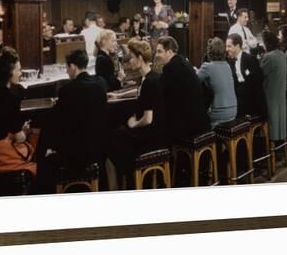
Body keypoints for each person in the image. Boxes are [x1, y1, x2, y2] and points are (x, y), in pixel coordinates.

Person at [37, 49, 108, 192]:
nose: (67, 72)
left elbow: (56, 123)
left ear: (73, 67)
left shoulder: (68, 89)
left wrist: (42, 149)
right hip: (99, 149)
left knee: (44, 158)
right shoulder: (100, 84)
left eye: (67, 68)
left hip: (77, 154)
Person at [107, 39, 165, 185]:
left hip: (151, 137)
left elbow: (148, 119)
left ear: (140, 58)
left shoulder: (149, 82)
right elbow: (139, 90)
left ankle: (126, 182)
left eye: (132, 57)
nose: (129, 61)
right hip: (159, 132)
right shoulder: (152, 76)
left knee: (112, 140)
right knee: (117, 134)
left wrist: (133, 124)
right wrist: (119, 95)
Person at [0, 47, 39, 179]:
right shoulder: (11, 98)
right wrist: (26, 131)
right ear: (9, 73)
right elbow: (19, 138)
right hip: (1, 156)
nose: (20, 73)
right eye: (18, 70)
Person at [155, 36, 209, 141]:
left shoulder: (170, 67)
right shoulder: (184, 62)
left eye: (159, 51)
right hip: (200, 120)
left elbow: (160, 93)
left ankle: (169, 156)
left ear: (169, 52)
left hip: (189, 127)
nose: (156, 55)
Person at [197, 38, 238, 128]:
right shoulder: (227, 65)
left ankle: (208, 140)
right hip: (233, 111)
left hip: (219, 114)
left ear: (209, 51)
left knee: (197, 118)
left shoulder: (207, 67)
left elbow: (193, 81)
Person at [226, 33, 267, 119]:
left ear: (237, 46)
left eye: (229, 46)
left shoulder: (250, 59)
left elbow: (257, 82)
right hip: (238, 99)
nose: (226, 49)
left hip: (252, 101)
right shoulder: (228, 61)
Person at [259, 31, 287, 142]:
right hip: (279, 94)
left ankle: (264, 144)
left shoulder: (268, 57)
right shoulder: (281, 53)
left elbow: (260, 74)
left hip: (270, 95)